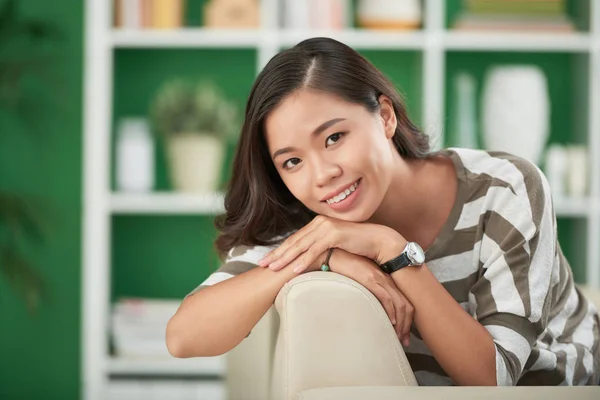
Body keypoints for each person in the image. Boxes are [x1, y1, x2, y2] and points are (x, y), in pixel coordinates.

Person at [165, 37, 600, 386]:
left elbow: (494, 378)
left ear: (385, 116)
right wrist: (316, 256)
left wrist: (392, 250)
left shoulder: (503, 188)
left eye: (334, 137)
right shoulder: (311, 225)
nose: (322, 175)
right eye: (292, 161)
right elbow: (184, 337)